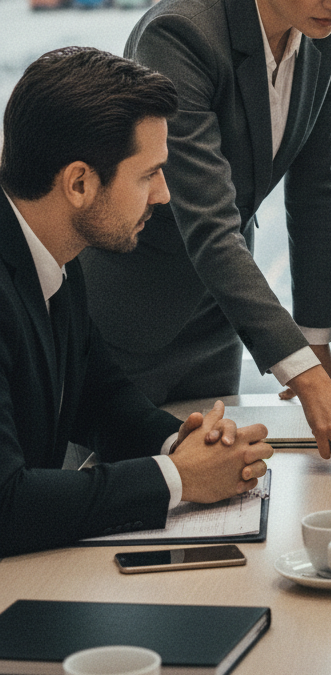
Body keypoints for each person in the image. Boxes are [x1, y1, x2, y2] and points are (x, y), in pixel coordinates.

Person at [79, 0, 331, 473]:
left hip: (217, 314)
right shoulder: (180, 35)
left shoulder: (325, 27)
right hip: (130, 319)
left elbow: (316, 187)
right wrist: (305, 378)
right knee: (106, 493)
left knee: (213, 487)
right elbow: (209, 222)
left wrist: (317, 342)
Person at [0, 47, 275, 558]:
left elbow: (97, 397)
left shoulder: (54, 250)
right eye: (149, 174)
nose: (164, 195)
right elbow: (6, 504)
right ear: (79, 183)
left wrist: (184, 445)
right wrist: (178, 478)